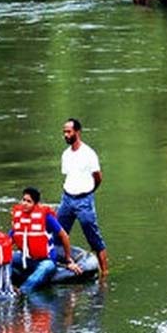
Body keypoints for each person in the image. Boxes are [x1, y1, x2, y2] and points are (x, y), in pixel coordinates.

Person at [57, 118, 109, 278]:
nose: (66, 135)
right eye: (64, 132)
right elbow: (69, 175)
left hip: (83, 199)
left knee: (92, 234)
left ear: (77, 132)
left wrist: (89, 193)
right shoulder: (66, 154)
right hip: (67, 198)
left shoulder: (88, 154)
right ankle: (61, 265)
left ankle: (105, 272)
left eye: (69, 132)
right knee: (58, 232)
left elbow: (98, 177)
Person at [10, 187, 81, 294]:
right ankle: (6, 285)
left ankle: (22, 291)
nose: (24, 203)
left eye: (29, 201)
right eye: (23, 200)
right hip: (26, 258)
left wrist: (68, 260)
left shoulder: (46, 217)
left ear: (35, 204)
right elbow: (8, 241)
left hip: (45, 260)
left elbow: (64, 236)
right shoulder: (19, 217)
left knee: (46, 267)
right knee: (7, 257)